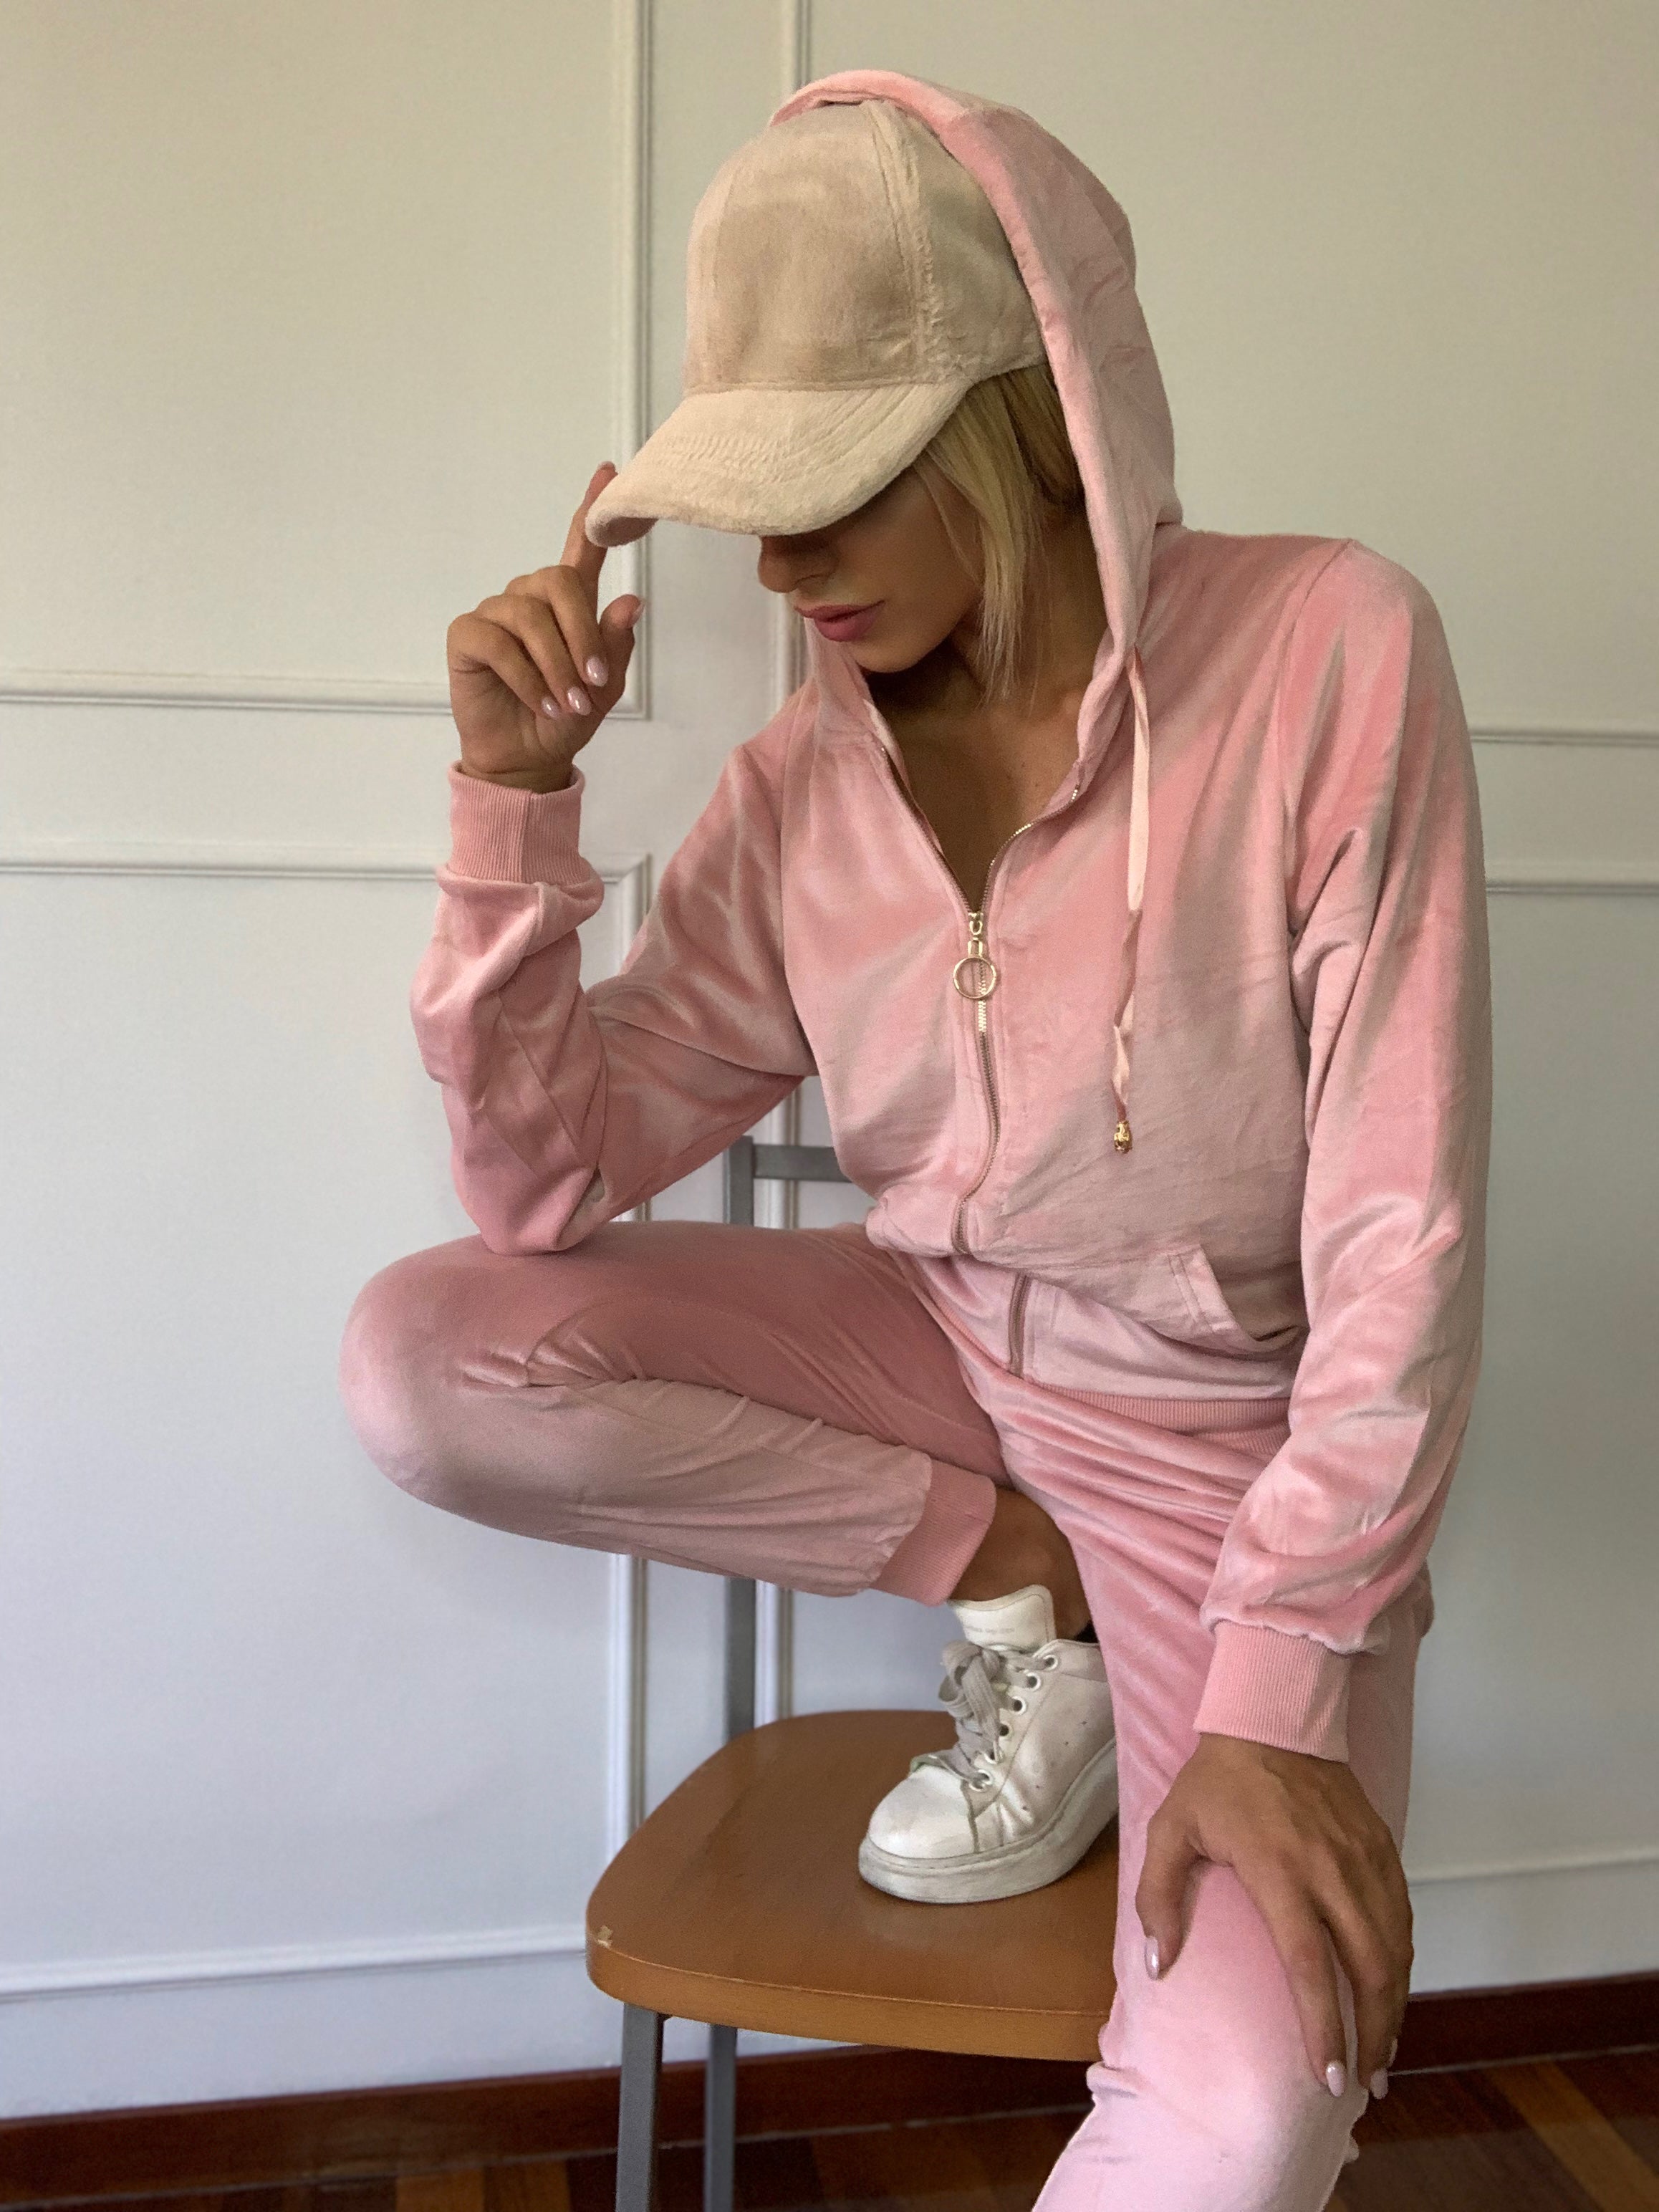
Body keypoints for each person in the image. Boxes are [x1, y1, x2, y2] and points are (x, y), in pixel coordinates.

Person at [337, 68, 1492, 2211]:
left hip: (1226, 1461)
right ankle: (1014, 1575)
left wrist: (1276, 1687)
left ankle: (1121, 1640)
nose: (782, 564)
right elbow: (539, 1183)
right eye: (753, 501)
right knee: (425, 1354)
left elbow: (1400, 1239)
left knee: (1243, 2118)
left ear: (1026, 416)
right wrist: (514, 805)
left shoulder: (1330, 652)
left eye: (840, 487)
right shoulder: (805, 784)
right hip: (940, 1354)